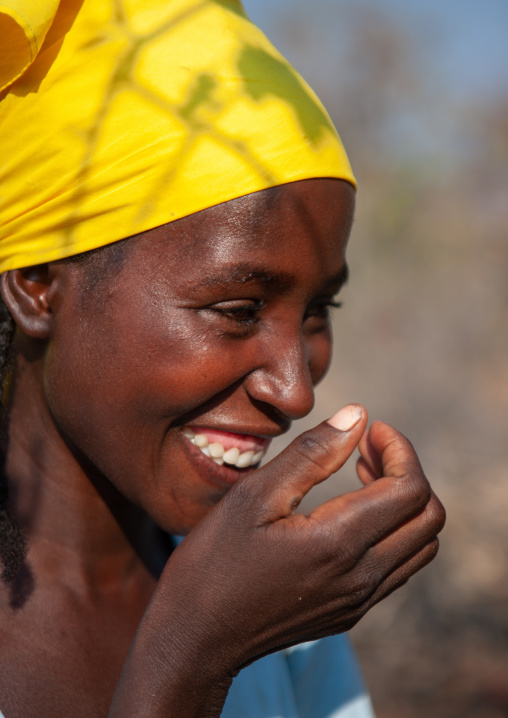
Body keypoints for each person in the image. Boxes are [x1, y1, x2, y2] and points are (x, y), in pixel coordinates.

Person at [0, 1, 445, 716]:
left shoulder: (281, 615)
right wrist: (190, 656)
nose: (296, 394)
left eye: (317, 312)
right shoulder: (242, 616)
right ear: (39, 286)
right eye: (238, 311)